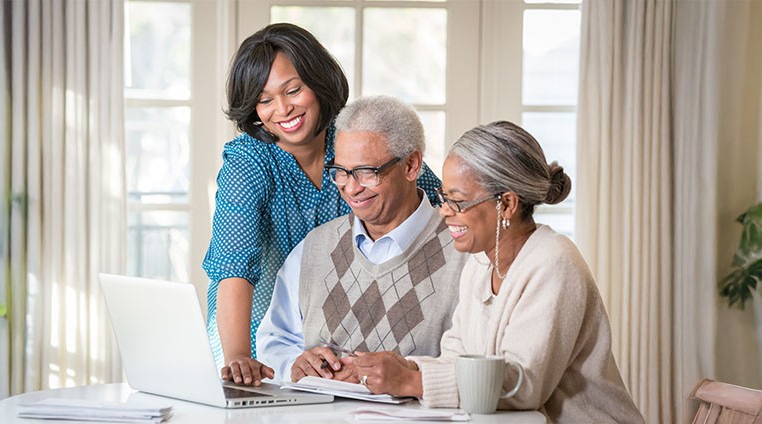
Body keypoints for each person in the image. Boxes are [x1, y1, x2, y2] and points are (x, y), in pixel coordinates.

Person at [343, 121, 644, 423]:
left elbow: (524, 386)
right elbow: (456, 356)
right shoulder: (482, 261)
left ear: (507, 205)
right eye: (444, 197)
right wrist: (403, 368)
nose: (444, 210)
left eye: (457, 201)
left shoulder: (555, 262)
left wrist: (410, 382)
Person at [203, 23, 442, 386]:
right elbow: (234, 264)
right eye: (264, 100)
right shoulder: (249, 161)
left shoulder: (351, 141)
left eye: (293, 90)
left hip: (336, 336)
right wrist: (239, 356)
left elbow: (428, 197)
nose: (282, 109)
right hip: (261, 340)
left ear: (318, 81)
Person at [255, 96, 466, 383]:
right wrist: (294, 363)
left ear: (411, 165)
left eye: (367, 172)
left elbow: (475, 366)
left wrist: (403, 374)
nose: (351, 189)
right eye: (341, 172)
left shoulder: (464, 252)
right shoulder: (315, 246)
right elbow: (275, 338)